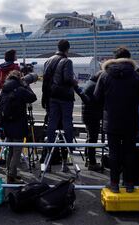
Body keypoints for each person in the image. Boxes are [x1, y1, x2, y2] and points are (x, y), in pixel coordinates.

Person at [94, 47, 139, 193]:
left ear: (114, 58)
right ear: (129, 58)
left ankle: (114, 184)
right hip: (131, 120)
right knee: (130, 152)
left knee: (114, 152)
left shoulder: (105, 75)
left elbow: (97, 97)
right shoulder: (136, 75)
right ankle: (129, 184)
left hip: (111, 120)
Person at [42, 39, 79, 172]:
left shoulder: (48, 60)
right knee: (66, 122)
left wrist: (44, 98)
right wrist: (75, 82)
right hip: (65, 97)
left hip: (52, 97)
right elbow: (67, 79)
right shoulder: (67, 61)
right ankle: (69, 148)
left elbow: (45, 80)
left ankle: (49, 149)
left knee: (52, 123)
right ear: (67, 49)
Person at [0, 70, 37, 183]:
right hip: (18, 123)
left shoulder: (5, 88)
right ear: (19, 78)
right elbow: (33, 97)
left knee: (10, 149)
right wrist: (26, 85)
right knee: (17, 151)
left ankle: (10, 172)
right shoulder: (20, 89)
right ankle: (11, 176)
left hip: (6, 123)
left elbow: (0, 100)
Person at [80, 71, 103, 171]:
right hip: (93, 115)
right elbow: (99, 100)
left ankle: (88, 160)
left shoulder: (89, 83)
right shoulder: (95, 86)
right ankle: (92, 162)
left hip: (88, 115)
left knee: (90, 138)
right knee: (92, 139)